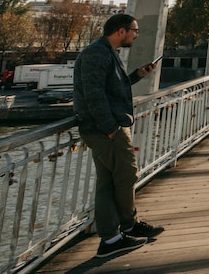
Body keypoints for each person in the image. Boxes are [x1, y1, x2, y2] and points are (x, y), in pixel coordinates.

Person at [72, 13, 164, 258]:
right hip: (106, 130)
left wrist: (136, 75)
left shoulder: (106, 52)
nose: (136, 34)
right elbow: (94, 94)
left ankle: (116, 234)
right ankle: (121, 230)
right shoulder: (96, 53)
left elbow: (110, 89)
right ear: (121, 31)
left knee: (108, 182)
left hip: (105, 127)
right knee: (126, 176)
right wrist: (110, 128)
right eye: (134, 30)